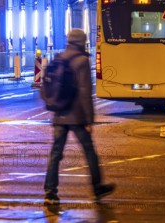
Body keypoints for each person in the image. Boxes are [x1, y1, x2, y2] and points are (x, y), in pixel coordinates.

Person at [44, 29, 115, 205]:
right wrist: (89, 119)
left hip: (60, 114)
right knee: (89, 151)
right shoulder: (82, 61)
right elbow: (85, 92)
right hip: (77, 117)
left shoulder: (59, 57)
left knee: (55, 154)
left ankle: (50, 192)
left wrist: (53, 104)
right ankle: (97, 187)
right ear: (82, 42)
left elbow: (45, 86)